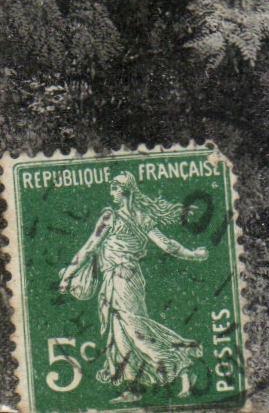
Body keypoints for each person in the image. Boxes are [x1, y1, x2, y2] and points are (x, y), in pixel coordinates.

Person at [58, 171, 207, 403]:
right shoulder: (140, 217)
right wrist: (194, 255)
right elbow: (168, 245)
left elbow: (88, 248)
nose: (111, 192)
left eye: (114, 188)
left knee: (135, 332)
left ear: (125, 190)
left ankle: (180, 362)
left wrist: (67, 275)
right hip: (125, 279)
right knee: (121, 335)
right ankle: (134, 388)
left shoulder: (112, 217)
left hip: (122, 280)